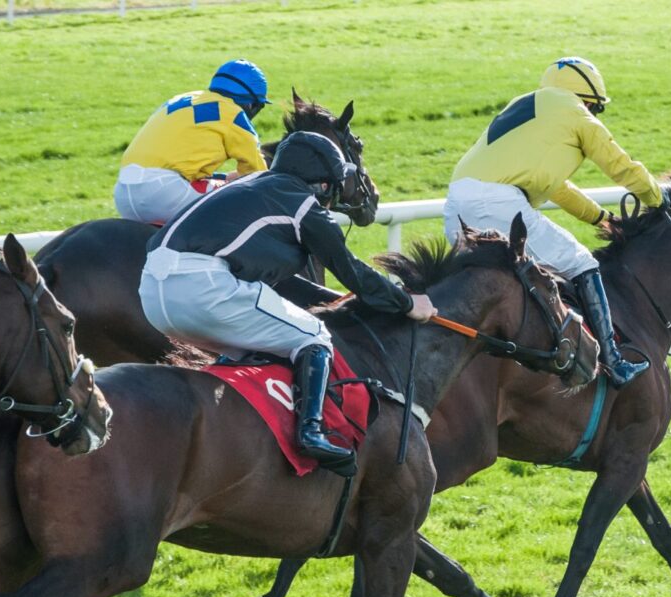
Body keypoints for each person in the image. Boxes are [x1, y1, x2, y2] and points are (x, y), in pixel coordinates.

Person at [140, 131, 436, 473]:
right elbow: (352, 270)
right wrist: (406, 303)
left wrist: (333, 298)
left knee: (261, 343)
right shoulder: (304, 205)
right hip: (204, 286)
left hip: (153, 292)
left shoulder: (253, 186)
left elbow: (281, 280)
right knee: (313, 336)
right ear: (324, 185)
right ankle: (311, 432)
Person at [444, 57, 663, 386]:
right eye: (596, 109)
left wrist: (601, 217)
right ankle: (614, 362)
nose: (594, 114)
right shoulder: (573, 110)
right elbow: (621, 165)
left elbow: (559, 189)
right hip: (498, 204)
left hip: (455, 205)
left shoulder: (532, 109)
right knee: (582, 264)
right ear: (587, 99)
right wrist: (659, 199)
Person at [115, 59, 272, 226]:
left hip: (123, 193)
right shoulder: (233, 113)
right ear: (251, 104)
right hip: (164, 193)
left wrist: (225, 176)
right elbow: (258, 175)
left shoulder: (180, 98)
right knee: (239, 200)